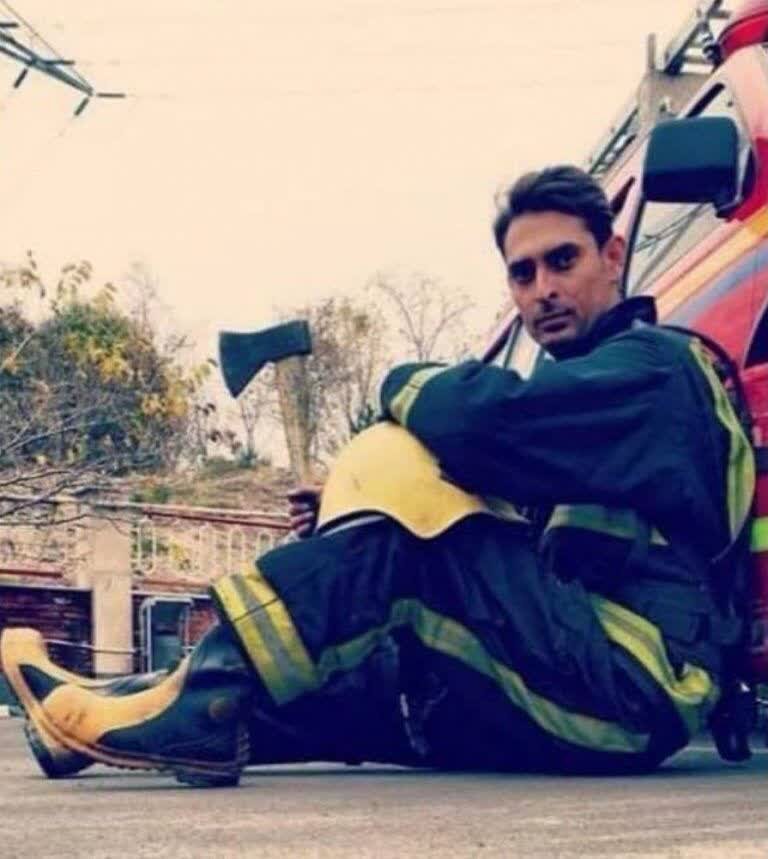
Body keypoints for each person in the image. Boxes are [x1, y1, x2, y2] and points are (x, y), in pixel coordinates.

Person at [2, 165, 755, 786]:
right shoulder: (584, 408)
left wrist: (398, 382)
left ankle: (183, 705)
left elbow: (477, 422)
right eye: (522, 273)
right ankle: (105, 715)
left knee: (408, 552)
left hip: (635, 680)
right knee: (364, 684)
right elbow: (505, 522)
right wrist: (346, 507)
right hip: (584, 672)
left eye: (564, 261)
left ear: (613, 257)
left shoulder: (655, 370)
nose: (542, 289)